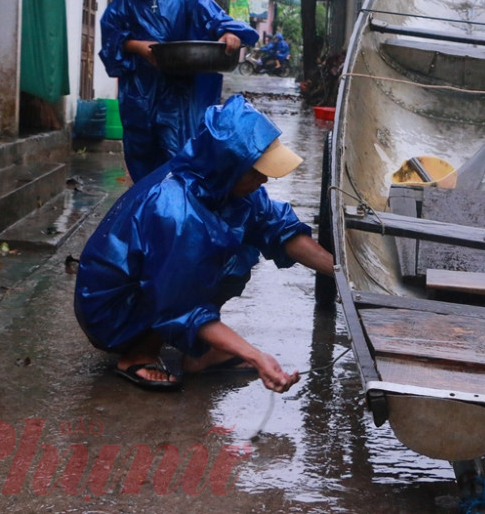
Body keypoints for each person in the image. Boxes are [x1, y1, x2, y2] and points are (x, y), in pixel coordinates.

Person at [74, 95, 335, 393]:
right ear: (230, 166)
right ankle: (138, 352)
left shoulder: (225, 184)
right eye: (256, 170)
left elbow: (277, 227)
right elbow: (179, 304)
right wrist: (256, 356)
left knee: (232, 255)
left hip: (160, 286)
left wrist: (340, 272)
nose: (263, 179)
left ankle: (202, 353)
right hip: (112, 309)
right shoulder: (176, 211)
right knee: (190, 282)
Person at [99, 0, 259, 183]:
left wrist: (230, 34)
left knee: (181, 158)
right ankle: (150, 214)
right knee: (142, 159)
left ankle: (181, 214)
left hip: (181, 96)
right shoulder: (126, 4)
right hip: (140, 93)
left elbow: (219, 20)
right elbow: (110, 39)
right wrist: (138, 47)